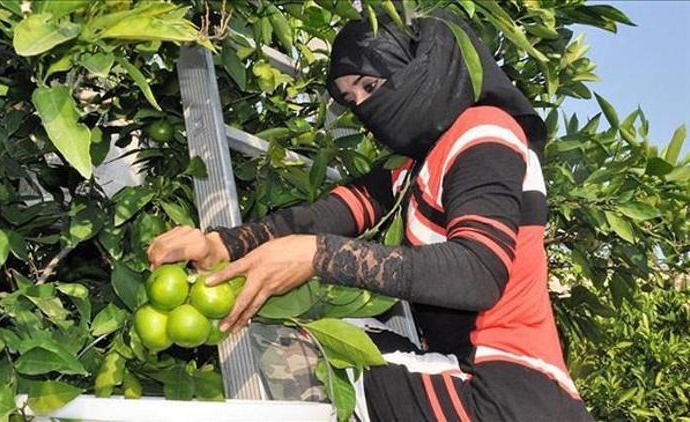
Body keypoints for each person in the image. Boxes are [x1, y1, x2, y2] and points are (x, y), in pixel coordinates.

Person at [148, 8, 593, 422]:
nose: (363, 106)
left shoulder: (484, 133)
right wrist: (219, 243)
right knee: (311, 336)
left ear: (415, 64)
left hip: (504, 396)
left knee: (298, 357)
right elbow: (327, 214)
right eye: (351, 97)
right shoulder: (411, 168)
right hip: (474, 380)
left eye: (370, 85)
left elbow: (478, 271)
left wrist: (319, 256)